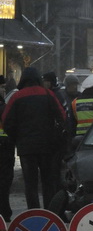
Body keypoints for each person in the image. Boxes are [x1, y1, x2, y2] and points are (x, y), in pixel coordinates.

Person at [1, 67, 66, 210]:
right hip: (47, 146)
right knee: (47, 182)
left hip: (26, 147)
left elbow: (6, 121)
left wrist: (16, 137)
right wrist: (55, 136)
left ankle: (34, 214)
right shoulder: (48, 94)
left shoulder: (17, 97)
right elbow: (62, 117)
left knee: (30, 184)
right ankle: (50, 212)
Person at [0, 76, 13, 222]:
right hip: (4, 149)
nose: (4, 90)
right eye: (2, 87)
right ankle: (4, 212)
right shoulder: (4, 108)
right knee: (4, 182)